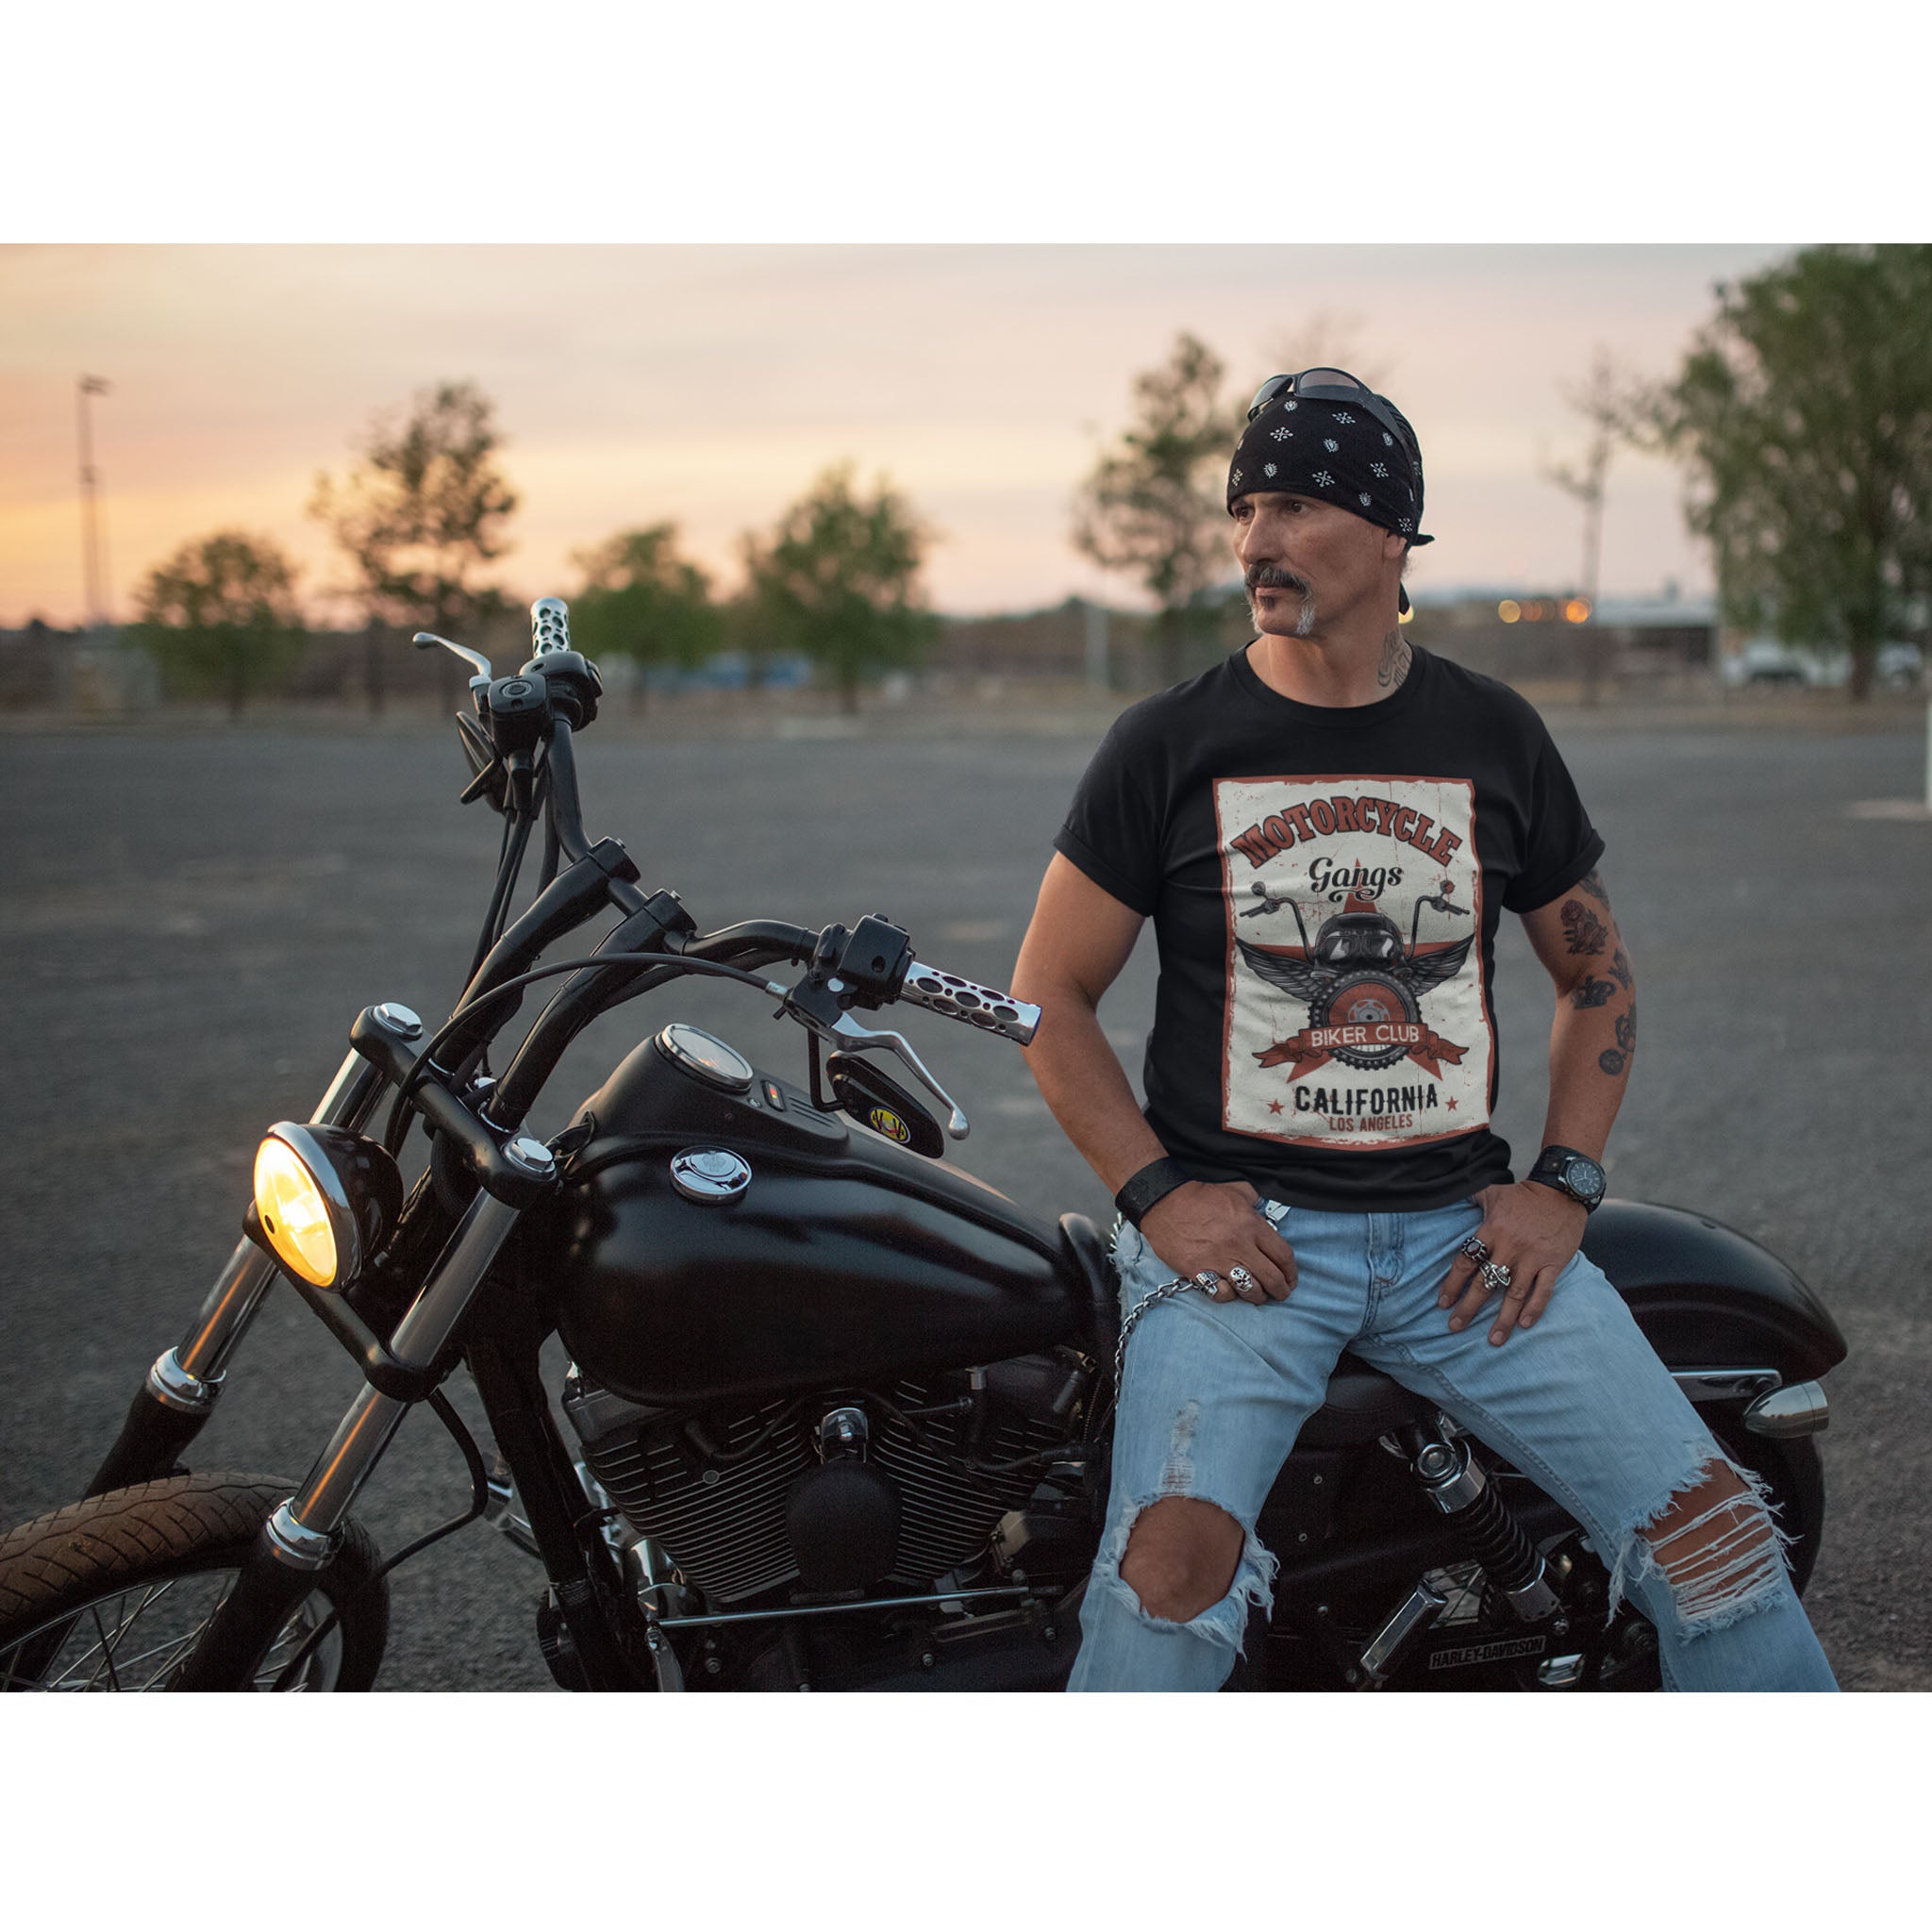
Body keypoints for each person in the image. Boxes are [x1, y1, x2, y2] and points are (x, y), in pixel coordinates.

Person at [1011, 368, 1836, 1691]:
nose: (1255, 540)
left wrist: (1563, 1186)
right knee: (1169, 1578)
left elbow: (1598, 980)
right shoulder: (1167, 743)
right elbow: (1047, 998)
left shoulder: (1490, 733)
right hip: (1247, 1251)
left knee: (1719, 1538)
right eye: (1245, 507)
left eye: (1295, 505)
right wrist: (1160, 1198)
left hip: (1464, 1247)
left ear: (1390, 535)